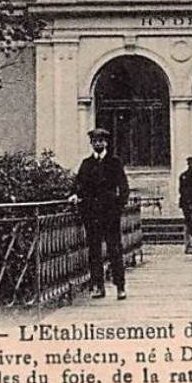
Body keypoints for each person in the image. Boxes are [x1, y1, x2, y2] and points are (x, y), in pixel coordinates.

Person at [70, 127, 130, 299]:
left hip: (110, 214)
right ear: (91, 143)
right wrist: (75, 194)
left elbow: (123, 187)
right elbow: (78, 184)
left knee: (114, 250)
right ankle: (98, 286)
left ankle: (120, 286)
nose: (98, 144)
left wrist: (119, 207)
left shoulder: (114, 162)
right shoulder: (86, 164)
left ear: (106, 143)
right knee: (94, 251)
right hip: (91, 214)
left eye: (101, 141)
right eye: (95, 141)